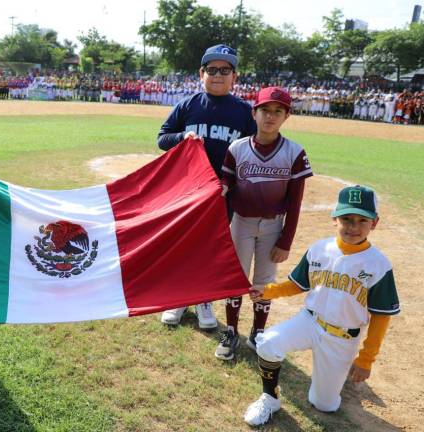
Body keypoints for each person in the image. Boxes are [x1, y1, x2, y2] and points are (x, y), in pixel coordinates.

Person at [243, 185, 399, 426]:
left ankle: (335, 378)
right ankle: (270, 398)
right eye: (346, 219)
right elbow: (298, 284)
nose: (353, 227)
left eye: (362, 220)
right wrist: (269, 291)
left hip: (342, 338)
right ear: (334, 218)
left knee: (323, 404)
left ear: (374, 223)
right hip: (310, 320)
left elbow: (381, 317)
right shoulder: (320, 249)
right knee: (268, 342)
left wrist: (366, 359)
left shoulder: (378, 265)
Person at [157, 44, 257, 329]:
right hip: (187, 191)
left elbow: (253, 154)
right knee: (183, 243)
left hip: (223, 194)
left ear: (234, 77)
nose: (217, 75)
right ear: (201, 73)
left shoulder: (244, 113)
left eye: (225, 70)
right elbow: (162, 139)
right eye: (211, 69)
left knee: (211, 247)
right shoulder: (187, 106)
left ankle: (203, 299)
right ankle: (178, 297)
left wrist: (233, 183)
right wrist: (182, 138)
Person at [214, 87, 312, 361]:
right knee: (236, 278)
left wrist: (286, 241)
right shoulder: (237, 148)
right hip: (241, 223)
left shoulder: (294, 152)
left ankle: (257, 332)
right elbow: (228, 181)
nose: (270, 117)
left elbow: (295, 202)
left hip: (273, 226)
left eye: (277, 111)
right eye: (265, 110)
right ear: (254, 113)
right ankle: (230, 331)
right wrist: (219, 188)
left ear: (286, 116)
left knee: (264, 281)